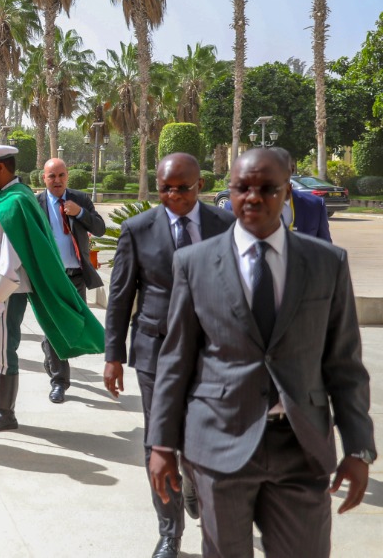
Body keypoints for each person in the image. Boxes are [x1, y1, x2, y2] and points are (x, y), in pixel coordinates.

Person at [148, 148, 375, 558]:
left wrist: (358, 447)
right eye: (242, 188)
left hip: (301, 447)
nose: (253, 197)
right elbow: (176, 360)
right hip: (219, 442)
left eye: (267, 188)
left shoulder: (326, 263)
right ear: (229, 192)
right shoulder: (194, 264)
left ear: (287, 192)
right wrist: (162, 444)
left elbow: (344, 365)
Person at [103, 153, 234, 558]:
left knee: (202, 438)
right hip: (155, 350)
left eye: (182, 188)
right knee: (159, 440)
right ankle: (169, 532)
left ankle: (193, 480)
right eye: (165, 188)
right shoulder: (137, 229)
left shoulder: (225, 225)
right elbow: (120, 295)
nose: (173, 195)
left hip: (211, 353)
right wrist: (113, 355)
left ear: (201, 186)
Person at [0, 144, 104, 433]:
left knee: (3, 350)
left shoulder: (17, 200)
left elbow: (14, 250)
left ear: (1, 167)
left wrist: (0, 294)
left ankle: (6, 412)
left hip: (2, 288)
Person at [33, 158, 107, 404]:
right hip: (50, 277)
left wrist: (81, 213)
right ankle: (59, 382)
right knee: (56, 327)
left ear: (67, 176)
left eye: (61, 175)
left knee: (72, 327)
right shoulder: (36, 203)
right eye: (52, 176)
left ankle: (49, 347)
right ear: (44, 178)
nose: (57, 181)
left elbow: (100, 229)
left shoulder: (80, 199)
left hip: (76, 276)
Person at [222, 146, 331, 242]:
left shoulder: (315, 205)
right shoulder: (234, 207)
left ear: (292, 169)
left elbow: (325, 246)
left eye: (281, 168)